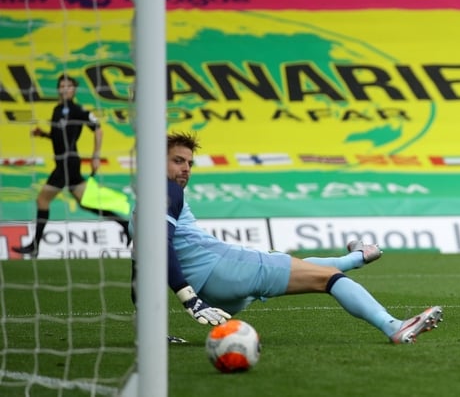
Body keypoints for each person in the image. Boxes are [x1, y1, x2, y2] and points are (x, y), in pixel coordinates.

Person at [130, 131, 443, 344]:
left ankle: (357, 256)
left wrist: (151, 333)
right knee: (329, 278)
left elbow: (140, 267)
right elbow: (161, 245)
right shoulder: (166, 190)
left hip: (217, 293)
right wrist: (189, 298)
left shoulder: (139, 206)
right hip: (224, 272)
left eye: (189, 163)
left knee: (296, 269)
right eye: (177, 161)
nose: (185, 169)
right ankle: (394, 327)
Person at [13, 73, 130, 258]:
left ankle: (35, 246)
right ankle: (125, 225)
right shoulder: (57, 110)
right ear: (58, 89)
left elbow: (98, 129)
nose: (65, 88)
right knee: (86, 203)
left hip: (67, 163)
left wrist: (96, 156)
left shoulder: (78, 110)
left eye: (69, 86)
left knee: (42, 199)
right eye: (62, 85)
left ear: (74, 90)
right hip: (64, 163)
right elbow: (58, 136)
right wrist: (43, 134)